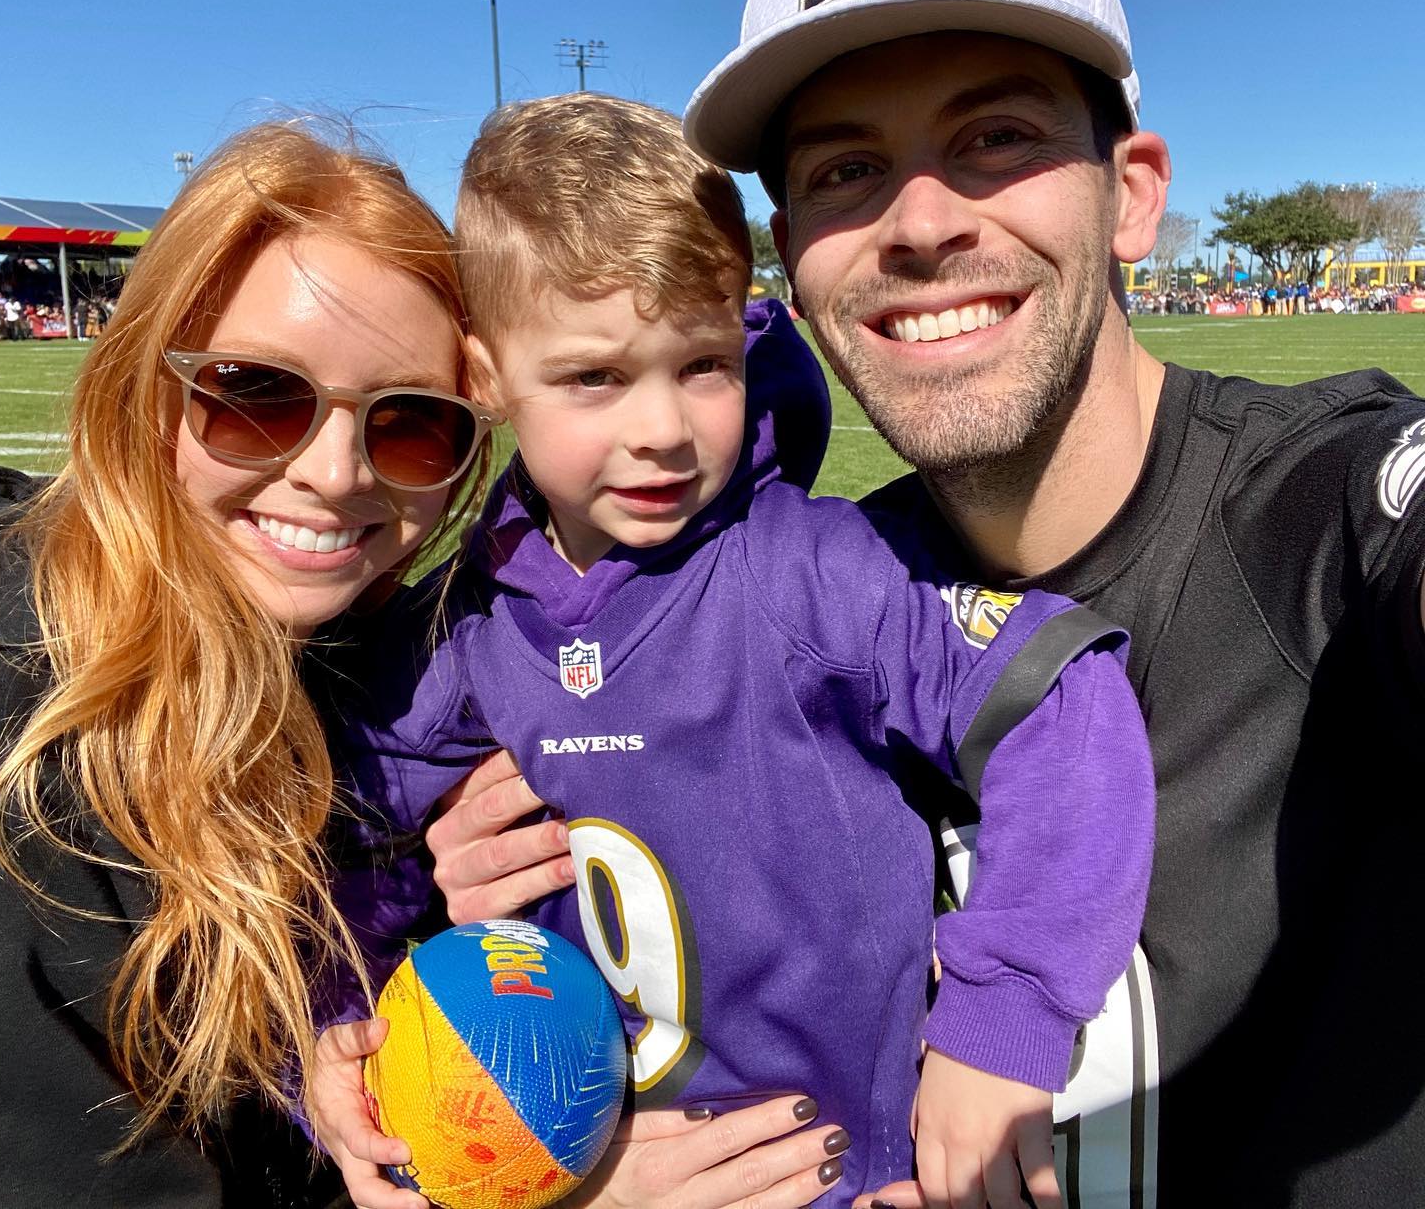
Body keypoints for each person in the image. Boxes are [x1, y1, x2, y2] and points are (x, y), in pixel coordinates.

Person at [670, 0, 1425, 1207]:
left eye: (997, 137)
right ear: (790, 252)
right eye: (848, 169)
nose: (918, 222)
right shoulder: (799, 601)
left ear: (1133, 195)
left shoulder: (1321, 504)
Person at [309, 94, 1154, 1209]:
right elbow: (329, 847)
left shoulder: (810, 571)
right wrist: (344, 1036)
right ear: (484, 373)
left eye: (703, 363)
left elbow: (1064, 698)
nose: (662, 426)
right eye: (594, 377)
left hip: (847, 1177)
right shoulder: (464, 627)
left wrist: (1000, 1031)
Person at [0, 122, 502, 1205]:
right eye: (255, 393)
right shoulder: (21, 695)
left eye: (411, 423)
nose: (334, 471)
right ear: (145, 385)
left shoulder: (400, 674)